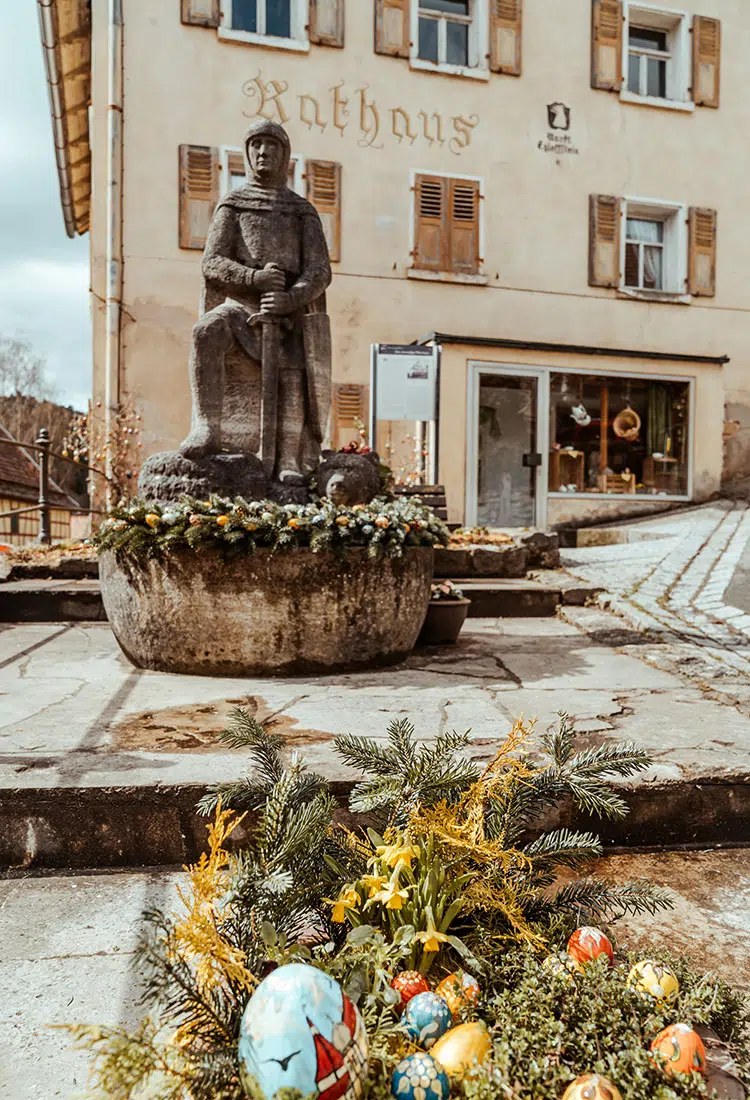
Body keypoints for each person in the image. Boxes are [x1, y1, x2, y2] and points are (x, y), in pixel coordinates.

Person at [179, 119, 332, 484]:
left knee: (295, 367)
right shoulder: (233, 205)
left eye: (273, 146)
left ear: (285, 155)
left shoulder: (301, 211)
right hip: (241, 308)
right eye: (257, 145)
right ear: (248, 153)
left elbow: (320, 270)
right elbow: (212, 262)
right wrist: (254, 279)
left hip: (288, 314)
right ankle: (207, 426)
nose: (264, 152)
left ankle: (289, 459)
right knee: (206, 332)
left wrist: (290, 297)